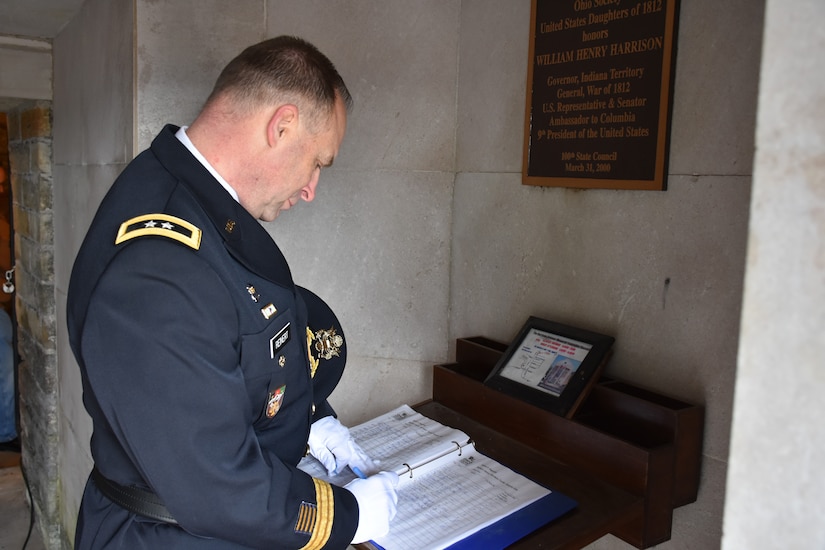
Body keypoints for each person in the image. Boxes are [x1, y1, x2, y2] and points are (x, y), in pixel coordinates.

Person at [67, 36, 398, 549]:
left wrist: (311, 419)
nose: (311, 189)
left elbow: (242, 355)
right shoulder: (159, 265)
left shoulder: (201, 205)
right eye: (318, 162)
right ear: (282, 125)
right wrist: (349, 518)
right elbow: (214, 482)